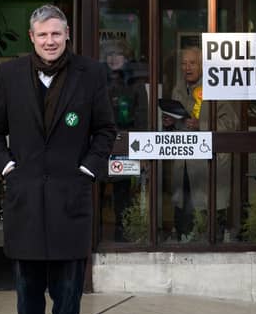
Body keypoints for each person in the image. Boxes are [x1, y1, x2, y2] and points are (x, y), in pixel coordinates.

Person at [0, 4, 116, 314]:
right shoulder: (9, 74)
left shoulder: (90, 73)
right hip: (25, 206)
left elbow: (106, 129)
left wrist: (87, 171)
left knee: (68, 304)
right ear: (32, 36)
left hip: (69, 206)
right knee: (27, 304)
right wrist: (6, 166)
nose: (50, 41)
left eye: (56, 34)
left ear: (67, 33)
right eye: (42, 35)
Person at [163, 46, 237, 241]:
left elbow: (232, 123)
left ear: (203, 65)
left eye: (192, 63)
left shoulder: (216, 88)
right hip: (184, 164)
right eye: (184, 63)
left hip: (208, 168)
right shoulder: (178, 89)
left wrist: (201, 125)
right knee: (184, 218)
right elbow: (179, 122)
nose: (187, 67)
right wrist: (170, 123)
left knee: (209, 224)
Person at [102, 39, 148, 241]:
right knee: (96, 192)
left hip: (126, 146)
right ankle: (96, 235)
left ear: (127, 58)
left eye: (118, 54)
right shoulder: (99, 81)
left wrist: (141, 152)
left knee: (122, 195)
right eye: (109, 55)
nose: (113, 58)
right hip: (100, 146)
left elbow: (142, 119)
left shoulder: (135, 84)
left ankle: (122, 236)